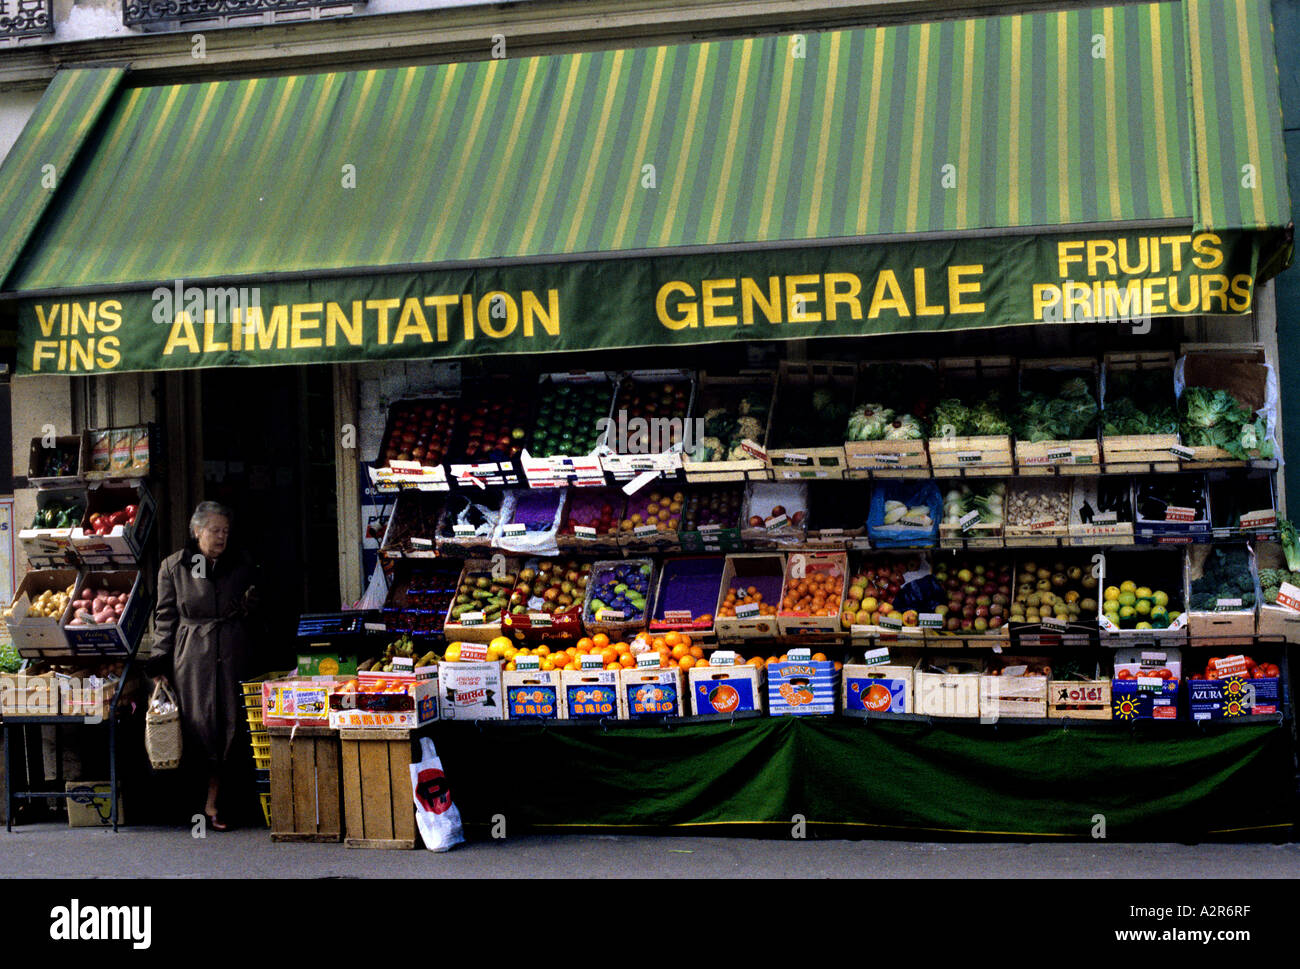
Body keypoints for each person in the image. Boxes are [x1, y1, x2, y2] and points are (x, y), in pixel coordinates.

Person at [146, 501, 261, 830]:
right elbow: (164, 619)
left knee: (232, 724)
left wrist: (250, 605)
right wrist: (159, 662)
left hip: (233, 651)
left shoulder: (240, 563)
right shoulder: (174, 567)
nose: (221, 536)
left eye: (225, 531)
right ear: (197, 531)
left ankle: (221, 802)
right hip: (193, 656)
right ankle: (200, 804)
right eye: (214, 530)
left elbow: (255, 606)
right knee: (199, 726)